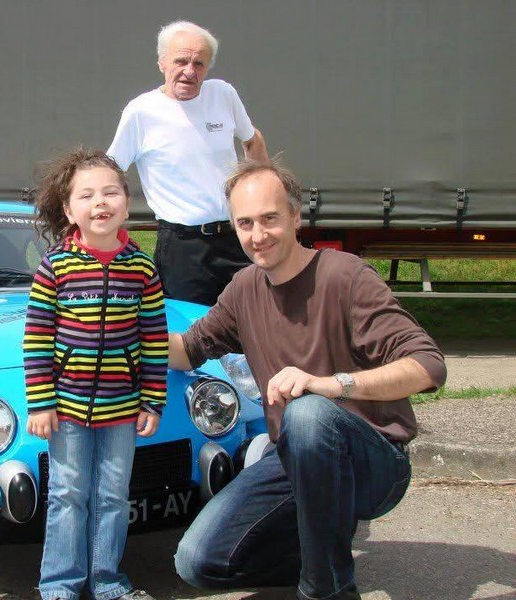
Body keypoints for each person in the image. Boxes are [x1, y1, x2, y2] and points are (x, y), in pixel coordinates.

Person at [169, 160, 447, 600]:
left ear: (296, 216)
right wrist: (119, 330)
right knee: (198, 561)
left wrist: (331, 384)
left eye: (270, 218)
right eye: (245, 223)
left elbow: (427, 365)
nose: (258, 235)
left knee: (309, 412)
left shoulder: (345, 276)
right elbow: (188, 349)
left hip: (373, 463)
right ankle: (322, 555)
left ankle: (327, 590)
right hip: (294, 458)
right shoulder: (243, 288)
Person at [23, 149, 168, 600]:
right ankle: (59, 585)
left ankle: (107, 581)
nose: (100, 202)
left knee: (112, 496)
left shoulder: (142, 268)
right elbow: (37, 338)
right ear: (69, 211)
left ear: (127, 203)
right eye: (86, 195)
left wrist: (153, 401)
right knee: (68, 493)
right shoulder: (55, 266)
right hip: (66, 409)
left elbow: (154, 339)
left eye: (110, 193)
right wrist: (41, 403)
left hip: (123, 409)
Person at [107, 20, 270, 306]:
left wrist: (265, 200)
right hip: (183, 247)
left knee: (256, 318)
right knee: (192, 327)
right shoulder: (141, 111)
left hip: (236, 238)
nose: (190, 71)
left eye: (199, 63)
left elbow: (252, 139)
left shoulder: (223, 94)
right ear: (162, 63)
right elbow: (111, 172)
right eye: (181, 61)